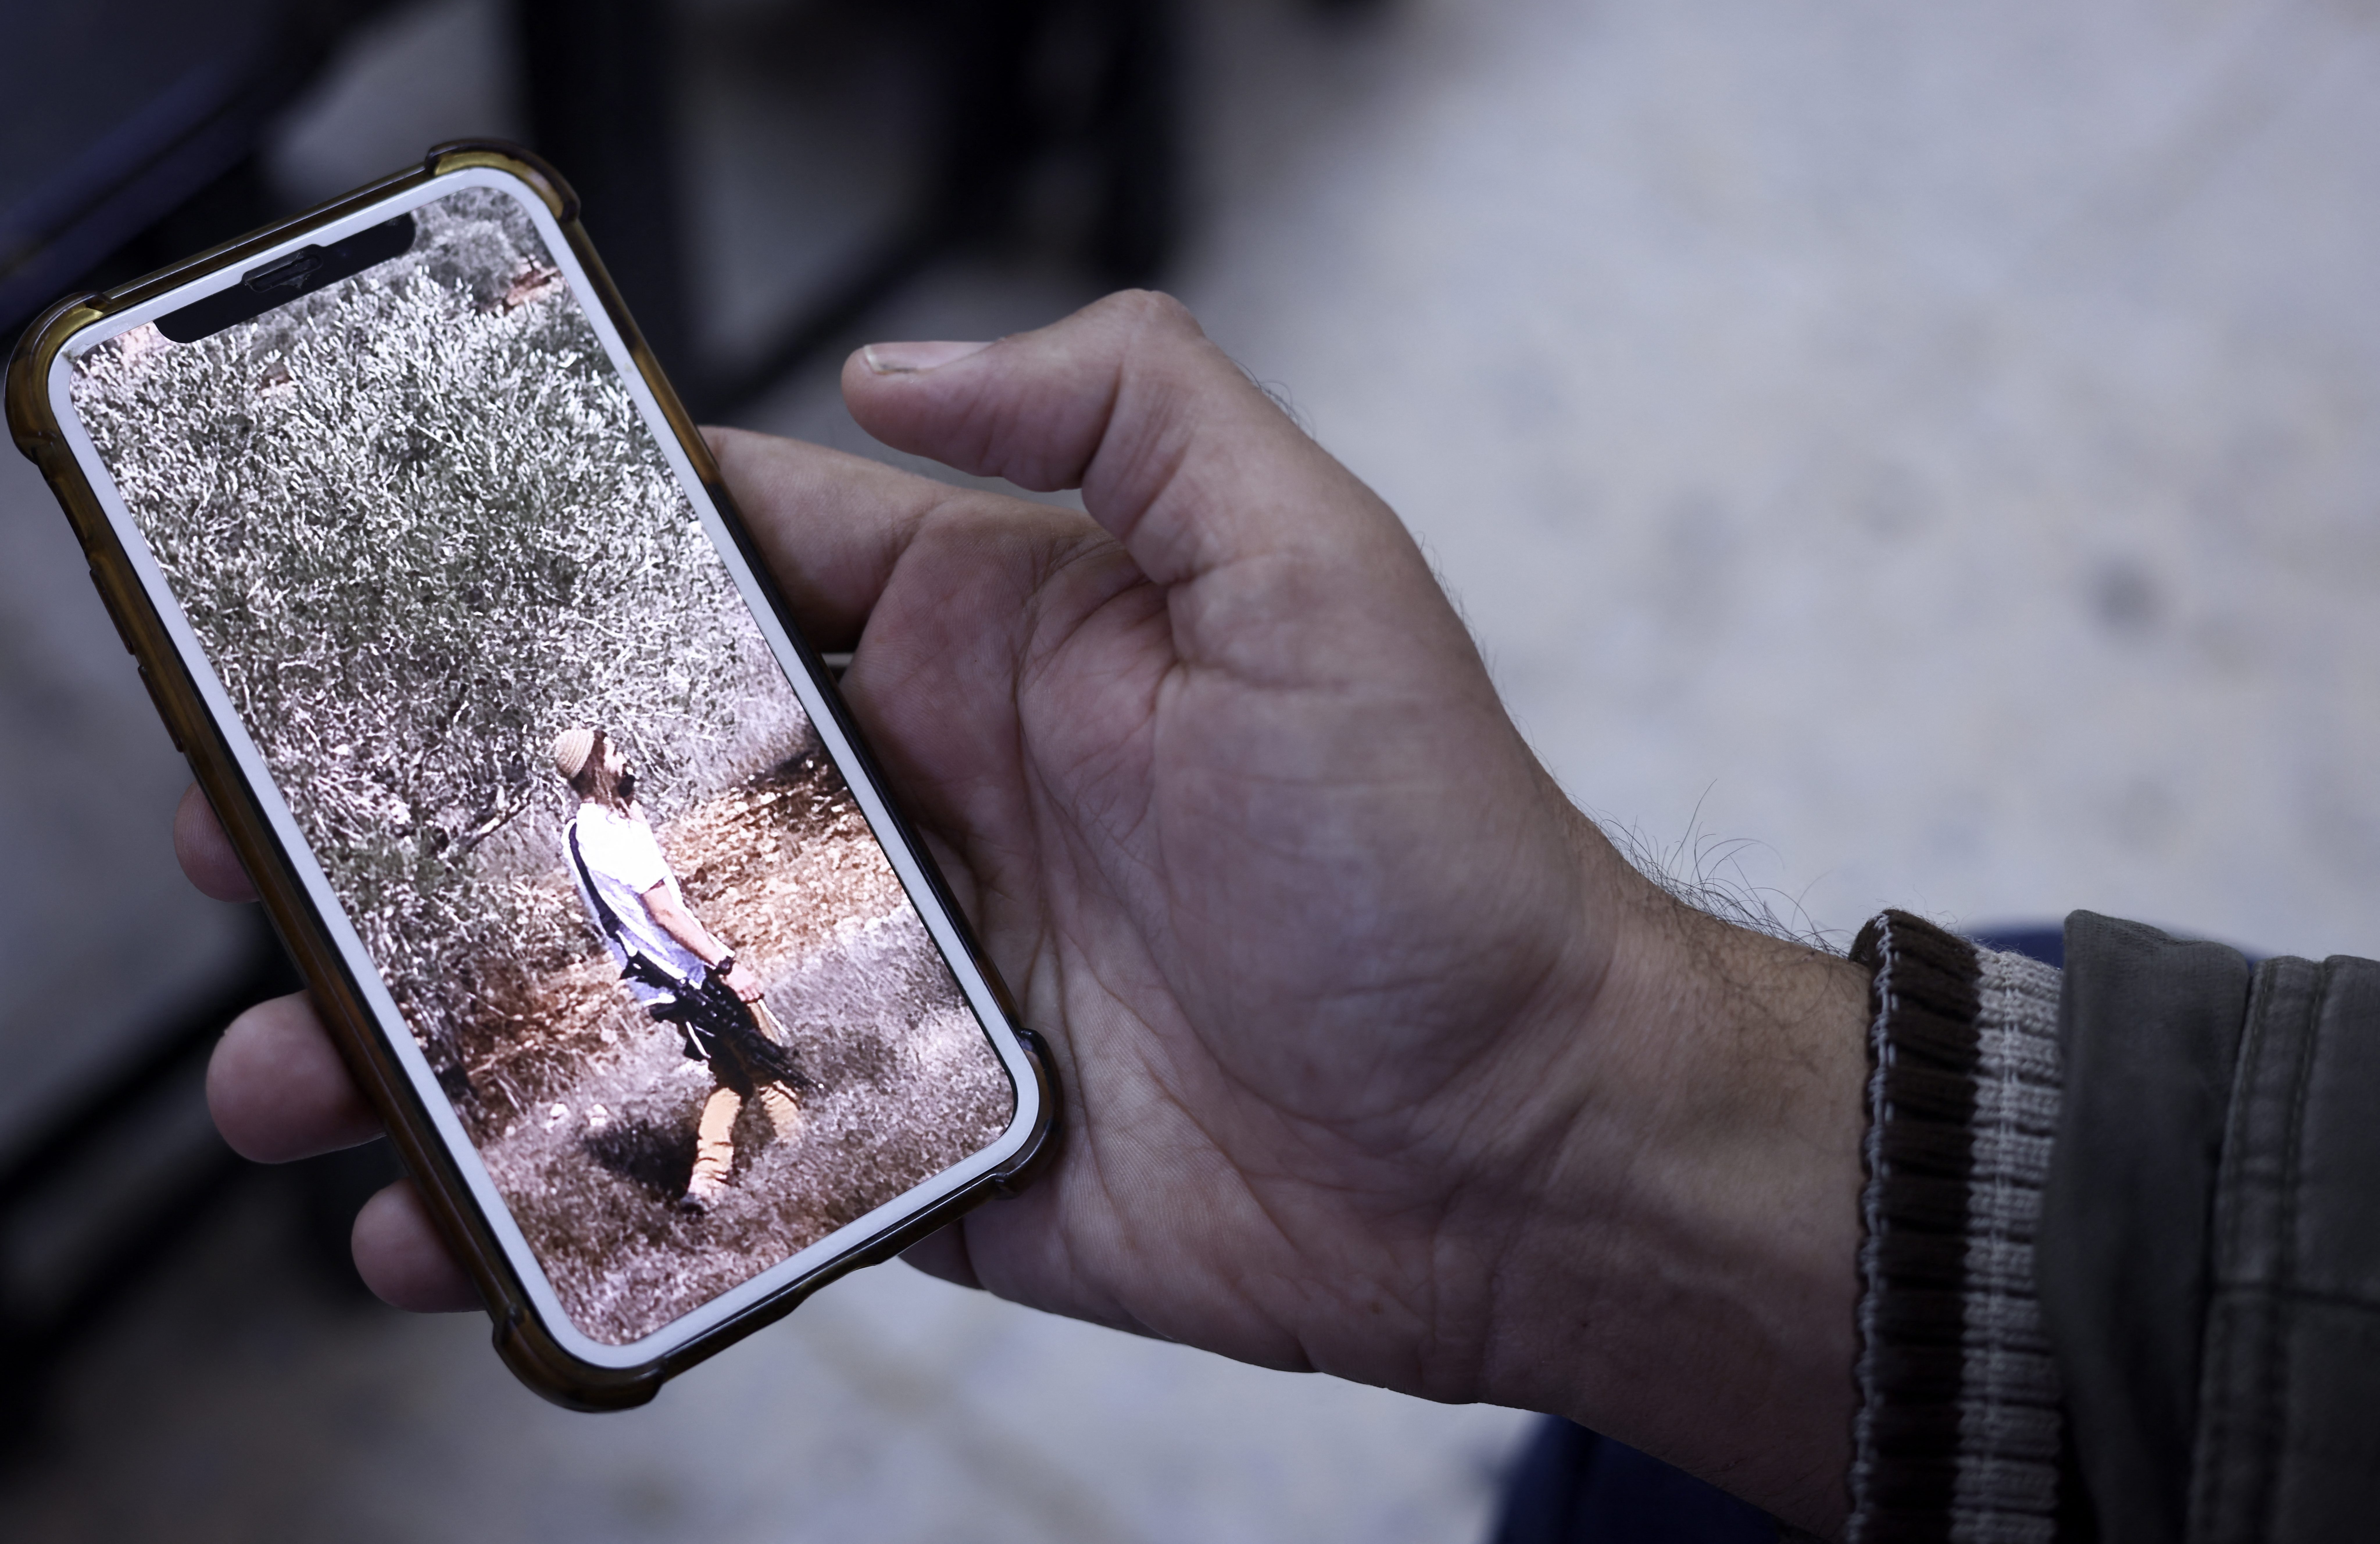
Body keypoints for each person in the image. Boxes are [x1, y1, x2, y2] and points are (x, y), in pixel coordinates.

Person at [186, 293, 2378, 1539]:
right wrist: (1568, 1117)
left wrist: (1559, 1129)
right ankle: (691, 1169)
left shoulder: (606, 825)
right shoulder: (606, 840)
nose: (594, 763)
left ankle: (694, 1170)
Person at [550, 724, 804, 1211]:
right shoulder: (615, 832)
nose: (626, 757)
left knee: (730, 1075)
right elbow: (664, 911)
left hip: (658, 988)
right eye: (615, 753)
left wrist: (628, 798)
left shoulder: (576, 834)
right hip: (692, 977)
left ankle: (706, 1185)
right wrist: (726, 964)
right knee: (770, 1067)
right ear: (596, 767)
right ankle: (808, 1158)